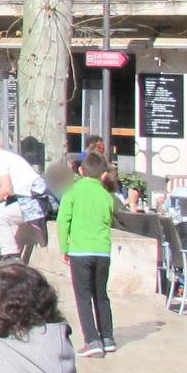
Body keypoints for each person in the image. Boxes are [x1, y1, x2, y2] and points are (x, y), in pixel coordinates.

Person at [56, 150, 119, 356]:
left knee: (83, 297)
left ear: (81, 171)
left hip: (80, 251)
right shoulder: (106, 193)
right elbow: (109, 219)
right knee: (101, 295)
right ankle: (107, 338)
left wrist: (64, 247)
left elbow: (63, 219)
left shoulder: (73, 190)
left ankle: (92, 341)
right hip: (102, 251)